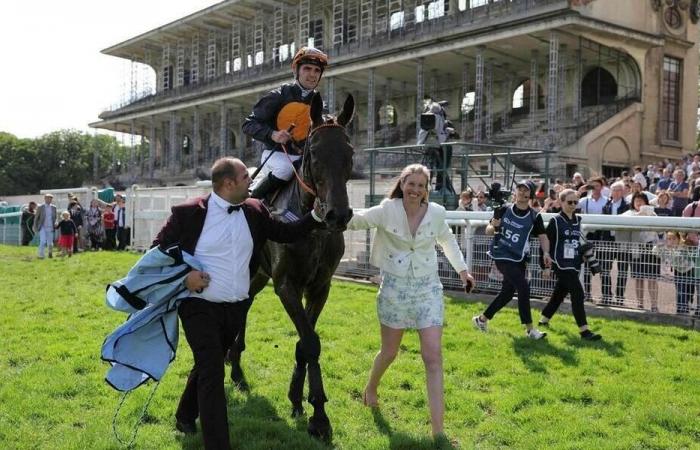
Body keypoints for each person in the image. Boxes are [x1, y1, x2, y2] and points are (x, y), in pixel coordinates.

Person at [152, 157, 325, 450]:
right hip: (198, 306)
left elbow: (284, 233)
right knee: (213, 371)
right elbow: (158, 253)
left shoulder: (255, 210)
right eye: (246, 176)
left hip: (235, 307)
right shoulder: (188, 214)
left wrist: (315, 218)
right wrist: (185, 279)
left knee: (209, 363)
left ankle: (184, 415)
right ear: (228, 183)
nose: (252, 180)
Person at [346, 163, 474, 440]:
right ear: (402, 184)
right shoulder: (386, 209)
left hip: (428, 289)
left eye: (421, 185)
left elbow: (448, 241)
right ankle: (371, 387)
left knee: (433, 357)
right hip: (394, 289)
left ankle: (438, 431)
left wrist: (463, 271)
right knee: (389, 352)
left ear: (426, 189)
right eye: (410, 184)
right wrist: (325, 209)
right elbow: (357, 220)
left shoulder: (437, 213)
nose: (415, 190)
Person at [243, 47, 328, 199]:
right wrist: (273, 134)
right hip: (277, 154)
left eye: (317, 70)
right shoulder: (278, 95)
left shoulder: (319, 103)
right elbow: (248, 124)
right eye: (307, 69)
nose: (312, 74)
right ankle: (253, 202)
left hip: (304, 158)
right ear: (296, 70)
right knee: (285, 169)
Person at [472, 180, 552, 339]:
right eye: (519, 189)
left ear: (531, 194)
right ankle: (530, 330)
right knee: (523, 287)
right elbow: (489, 231)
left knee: (507, 293)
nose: (522, 192)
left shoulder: (535, 217)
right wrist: (494, 225)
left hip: (519, 258)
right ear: (515, 192)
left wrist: (546, 253)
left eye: (526, 190)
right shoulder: (503, 209)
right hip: (501, 254)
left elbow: (543, 237)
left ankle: (481, 319)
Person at [537, 189, 602, 340]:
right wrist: (545, 266)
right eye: (569, 202)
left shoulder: (577, 220)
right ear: (561, 202)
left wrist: (583, 256)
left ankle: (543, 320)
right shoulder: (555, 221)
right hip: (560, 264)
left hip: (574, 263)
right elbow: (545, 244)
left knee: (559, 294)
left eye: (575, 202)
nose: (573, 205)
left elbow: (574, 243)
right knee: (578, 293)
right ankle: (584, 331)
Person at [619, 193, 659, 311]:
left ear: (646, 202)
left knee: (652, 278)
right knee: (638, 277)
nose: (638, 203)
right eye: (636, 200)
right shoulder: (628, 214)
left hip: (651, 249)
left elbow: (659, 228)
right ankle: (640, 304)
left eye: (641, 200)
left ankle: (654, 305)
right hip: (636, 249)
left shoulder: (652, 213)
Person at [599, 181, 630, 305]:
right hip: (607, 241)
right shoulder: (606, 205)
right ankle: (606, 296)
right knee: (605, 269)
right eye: (614, 190)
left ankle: (620, 297)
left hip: (622, 240)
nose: (616, 192)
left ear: (623, 192)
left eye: (619, 190)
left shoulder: (627, 205)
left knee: (622, 270)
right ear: (611, 191)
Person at [653, 231, 695, 314]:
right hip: (678, 271)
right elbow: (656, 252)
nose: (671, 241)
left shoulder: (683, 247)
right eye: (669, 239)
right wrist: (659, 246)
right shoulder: (667, 249)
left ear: (678, 239)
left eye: (673, 239)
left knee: (690, 289)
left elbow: (685, 253)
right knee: (680, 290)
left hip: (689, 270)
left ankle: (688, 302)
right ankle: (681, 309)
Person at [33, 193, 57, 259]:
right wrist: (35, 227)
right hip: (42, 227)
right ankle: (41, 255)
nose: (49, 200)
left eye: (50, 198)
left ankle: (50, 253)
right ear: (45, 199)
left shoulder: (54, 207)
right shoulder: (41, 207)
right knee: (43, 241)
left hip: (51, 227)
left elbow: (55, 217)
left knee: (50, 243)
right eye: (48, 198)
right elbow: (36, 218)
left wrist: (56, 222)